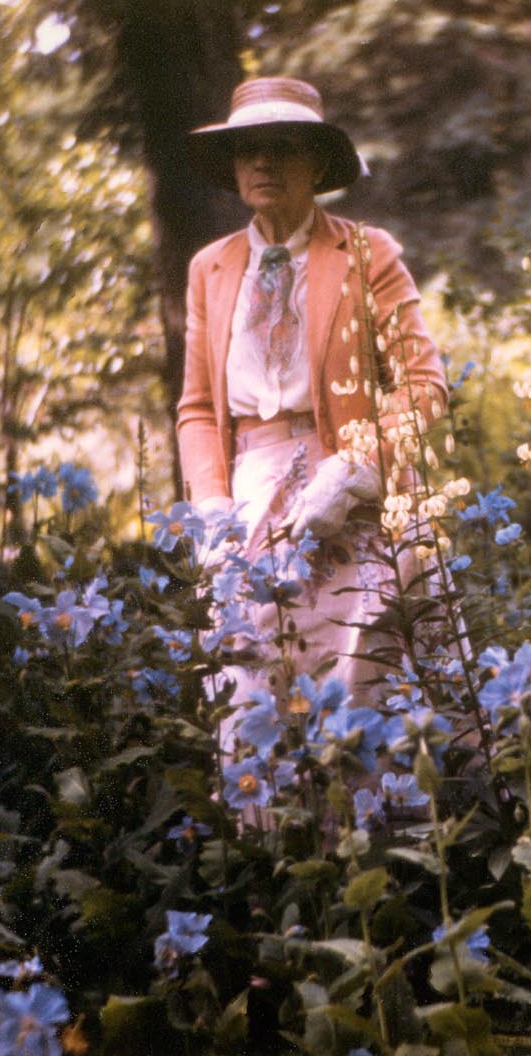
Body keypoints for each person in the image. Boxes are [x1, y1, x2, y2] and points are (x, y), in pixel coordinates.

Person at [177, 77, 447, 750]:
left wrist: (355, 472)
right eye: (247, 150)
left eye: (283, 147)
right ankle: (271, 849)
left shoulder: (364, 253)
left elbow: (422, 383)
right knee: (251, 697)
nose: (262, 163)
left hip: (346, 501)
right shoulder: (209, 267)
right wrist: (210, 514)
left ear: (318, 164)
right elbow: (198, 410)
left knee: (356, 694)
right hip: (247, 502)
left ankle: (368, 846)